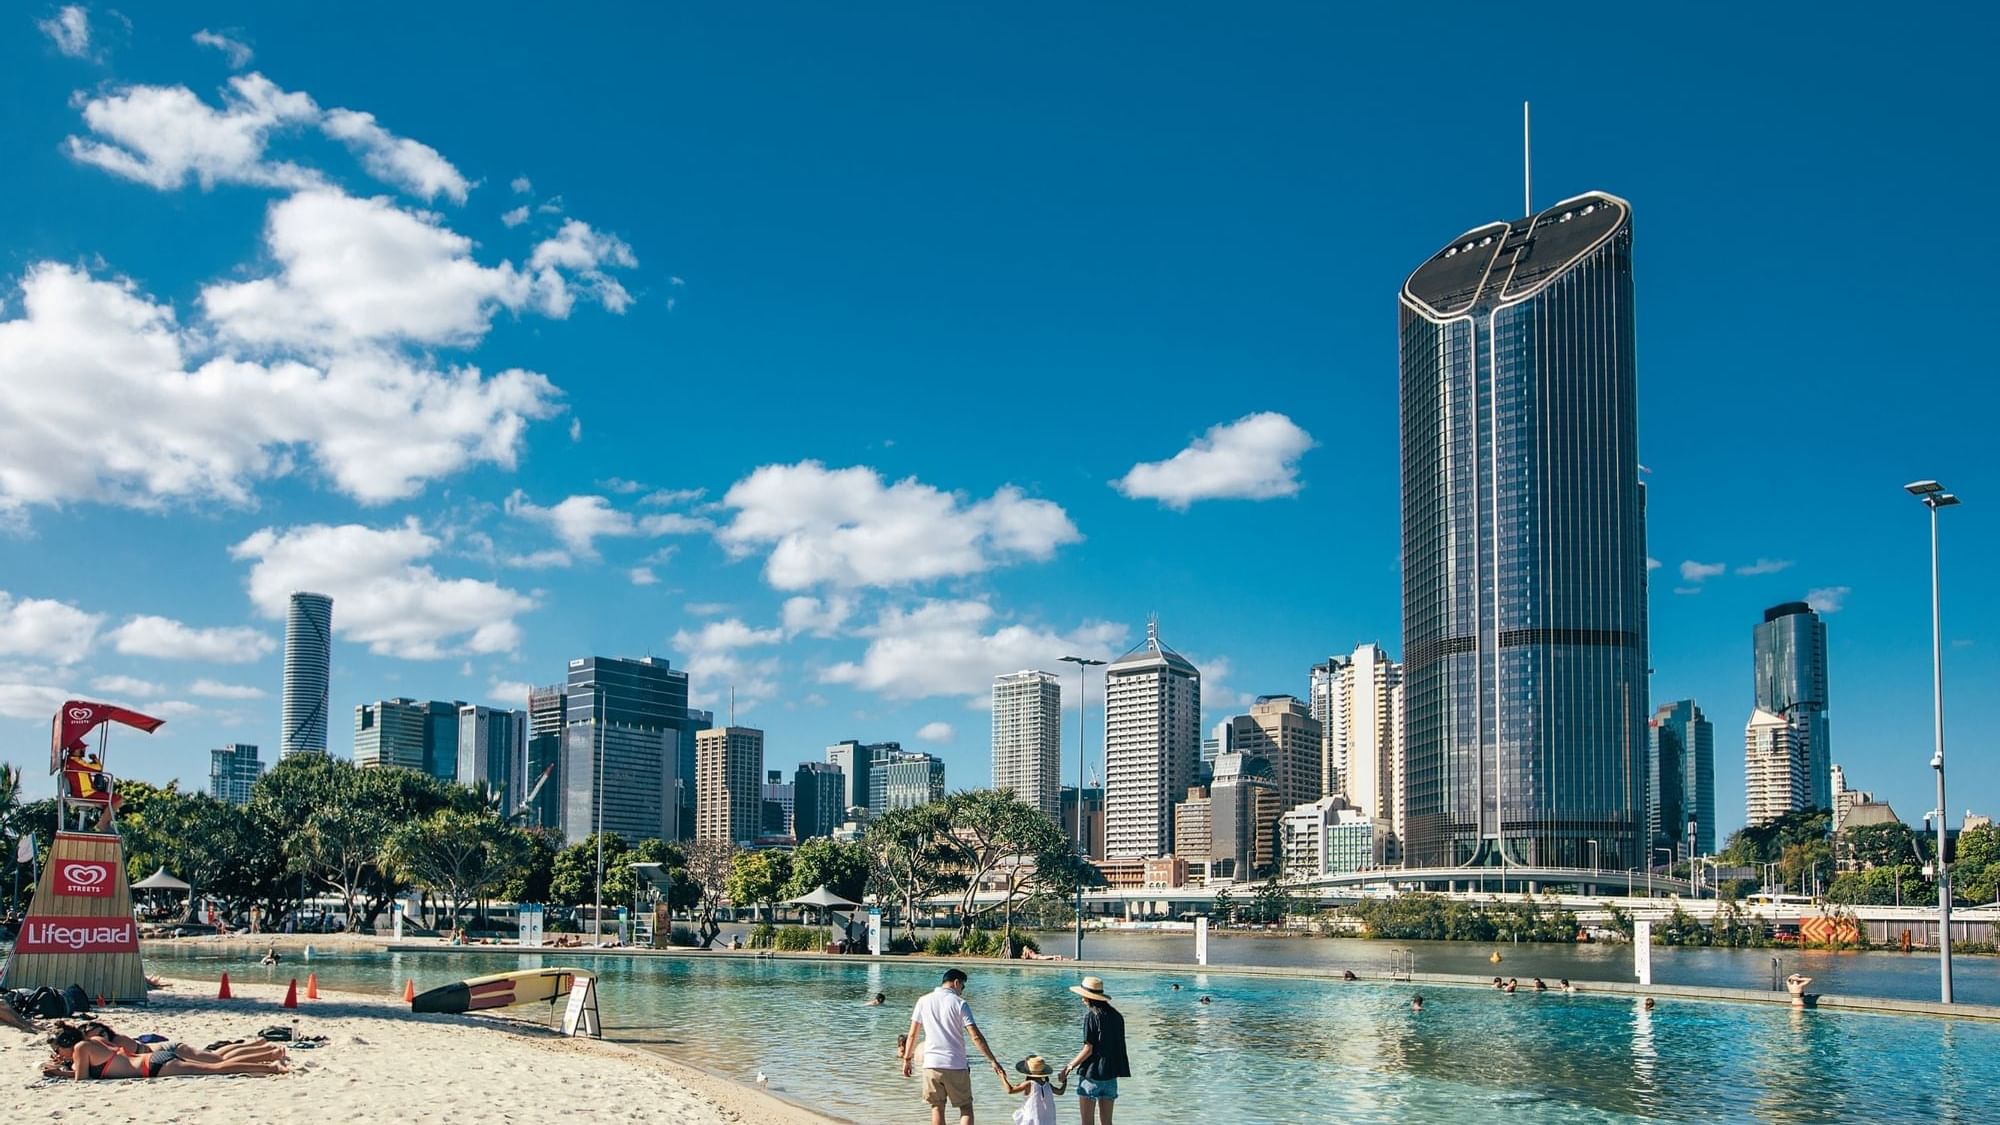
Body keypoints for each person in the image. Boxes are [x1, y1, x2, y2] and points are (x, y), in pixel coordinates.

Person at [904, 968, 1006, 1125]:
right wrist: (992, 1060)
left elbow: (912, 1034)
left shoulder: (923, 1001)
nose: (962, 992)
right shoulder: (960, 1004)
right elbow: (975, 1036)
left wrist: (907, 1059)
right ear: (957, 983)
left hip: (931, 1065)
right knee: (965, 1108)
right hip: (956, 1065)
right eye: (962, 987)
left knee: (937, 1108)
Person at [44, 1027, 288, 1081]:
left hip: (153, 1066)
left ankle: (272, 1067)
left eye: (58, 1049)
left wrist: (59, 1072)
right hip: (154, 1060)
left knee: (217, 1067)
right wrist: (67, 1065)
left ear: (68, 1044)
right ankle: (269, 1061)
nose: (58, 1053)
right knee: (218, 1062)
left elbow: (83, 1079)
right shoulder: (93, 1041)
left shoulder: (80, 1048)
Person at [1058, 976, 1130, 1125]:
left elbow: (1088, 1049)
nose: (1082, 999)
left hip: (1091, 1076)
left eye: (1083, 996)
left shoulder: (1092, 1016)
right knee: (1107, 1123)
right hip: (1110, 1076)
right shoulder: (1117, 1017)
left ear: (1089, 997)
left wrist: (1069, 1067)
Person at [78, 1022, 287, 1065]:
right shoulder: (109, 1042)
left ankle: (266, 1053)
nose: (94, 1036)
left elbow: (129, 1057)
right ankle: (259, 1046)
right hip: (169, 1050)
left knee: (217, 1059)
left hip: (170, 1049)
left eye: (94, 1031)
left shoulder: (117, 1040)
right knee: (217, 1054)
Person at [999, 1055, 1067, 1125]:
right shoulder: (1048, 1085)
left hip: (1032, 1119)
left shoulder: (1029, 1084)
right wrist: (1065, 1081)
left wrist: (1002, 1077)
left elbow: (1010, 1090)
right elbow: (1060, 1091)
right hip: (1046, 1121)